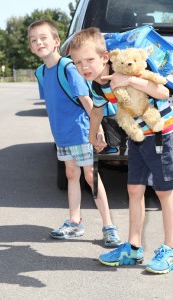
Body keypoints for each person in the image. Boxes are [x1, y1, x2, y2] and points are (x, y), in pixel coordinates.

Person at [70, 27, 173, 274]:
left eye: (90, 60)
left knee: (164, 193)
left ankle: (170, 249)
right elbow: (96, 109)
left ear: (105, 57)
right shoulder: (97, 85)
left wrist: (129, 80)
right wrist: (92, 134)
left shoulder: (126, 67)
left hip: (160, 134)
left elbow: (163, 91)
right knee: (134, 189)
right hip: (137, 138)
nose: (84, 67)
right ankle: (133, 248)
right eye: (77, 62)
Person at [28, 19, 121, 247]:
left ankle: (109, 226)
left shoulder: (69, 68)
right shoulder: (41, 72)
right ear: (30, 47)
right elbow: (52, 103)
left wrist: (96, 130)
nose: (39, 42)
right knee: (71, 174)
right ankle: (75, 222)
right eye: (33, 40)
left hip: (81, 131)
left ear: (57, 42)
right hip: (62, 135)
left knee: (92, 177)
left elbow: (87, 100)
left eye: (44, 38)